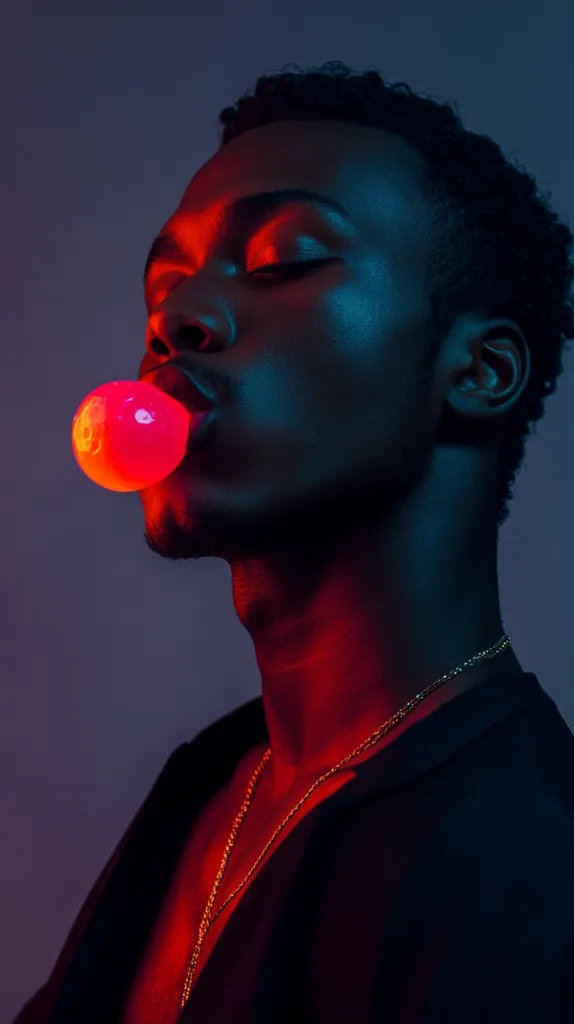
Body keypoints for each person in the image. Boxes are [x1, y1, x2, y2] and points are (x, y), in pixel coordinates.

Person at [14, 61, 574, 1024]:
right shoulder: (212, 786)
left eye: (281, 260)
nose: (174, 320)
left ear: (479, 372)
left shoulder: (531, 870)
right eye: (165, 284)